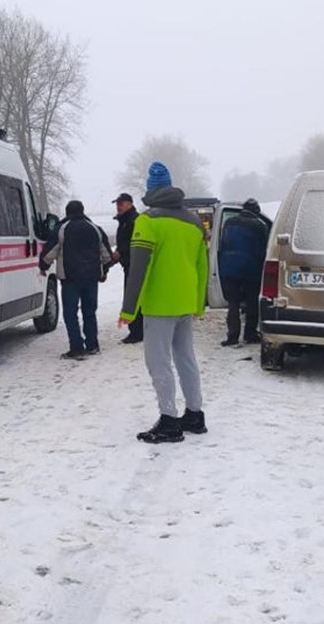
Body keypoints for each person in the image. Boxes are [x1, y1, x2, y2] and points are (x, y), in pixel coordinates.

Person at [120, 161, 209, 444]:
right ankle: (195, 414)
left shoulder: (147, 222)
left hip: (159, 304)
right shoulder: (194, 222)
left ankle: (169, 420)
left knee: (158, 363)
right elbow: (202, 266)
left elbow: (139, 268)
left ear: (150, 190)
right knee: (186, 358)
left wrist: (129, 309)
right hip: (185, 302)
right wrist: (198, 304)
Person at [40, 200, 113, 360]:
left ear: (67, 212)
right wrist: (104, 270)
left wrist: (43, 266)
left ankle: (77, 347)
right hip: (91, 278)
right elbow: (107, 255)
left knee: (70, 313)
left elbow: (49, 253)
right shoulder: (95, 228)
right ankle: (93, 345)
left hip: (70, 278)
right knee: (89, 311)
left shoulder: (62, 229)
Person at [217, 198, 269, 346]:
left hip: (228, 268)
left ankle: (232, 336)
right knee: (252, 302)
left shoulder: (229, 222)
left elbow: (223, 244)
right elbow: (263, 249)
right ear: (256, 211)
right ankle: (250, 334)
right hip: (250, 269)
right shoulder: (260, 226)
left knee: (233, 303)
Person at [112, 192, 144, 344]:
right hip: (129, 263)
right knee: (134, 296)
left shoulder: (134, 221)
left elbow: (135, 243)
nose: (118, 207)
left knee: (133, 297)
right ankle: (137, 329)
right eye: (117, 204)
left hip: (134, 264)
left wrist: (121, 253)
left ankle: (137, 331)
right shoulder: (126, 220)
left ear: (130, 204)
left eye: (121, 203)